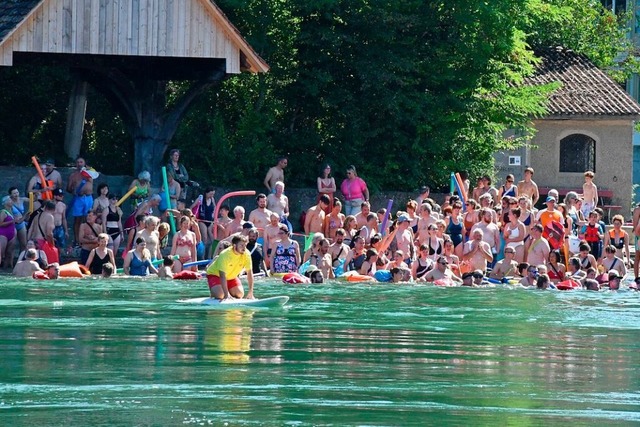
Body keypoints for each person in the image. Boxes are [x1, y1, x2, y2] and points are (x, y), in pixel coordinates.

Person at [206, 235, 255, 300]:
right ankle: (216, 292)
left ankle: (226, 289)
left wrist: (251, 292)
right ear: (234, 246)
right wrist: (226, 295)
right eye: (241, 245)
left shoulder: (247, 254)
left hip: (231, 277)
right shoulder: (224, 254)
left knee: (240, 294)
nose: (244, 248)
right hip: (215, 275)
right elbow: (222, 275)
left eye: (245, 245)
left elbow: (249, 273)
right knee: (220, 295)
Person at [66, 157, 96, 244]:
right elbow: (68, 188)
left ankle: (88, 238)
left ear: (84, 163)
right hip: (79, 198)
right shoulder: (73, 175)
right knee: (78, 219)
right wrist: (73, 191)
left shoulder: (90, 173)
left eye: (81, 162)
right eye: (78, 162)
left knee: (89, 218)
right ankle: (77, 240)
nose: (79, 164)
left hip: (88, 198)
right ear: (76, 164)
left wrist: (87, 173)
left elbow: (93, 177)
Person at [9, 187, 29, 252]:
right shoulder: (9, 202)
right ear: (10, 195)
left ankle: (21, 259)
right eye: (14, 193)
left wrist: (36, 195)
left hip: (21, 224)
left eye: (17, 192)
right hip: (13, 224)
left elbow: (32, 200)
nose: (16, 194)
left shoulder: (21, 199)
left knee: (24, 244)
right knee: (12, 245)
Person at [0, 195, 17, 268]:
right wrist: (12, 221)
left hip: (11, 234)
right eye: (9, 200)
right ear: (5, 203)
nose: (11, 201)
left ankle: (5, 269)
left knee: (9, 253)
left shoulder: (11, 211)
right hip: (3, 234)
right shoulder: (3, 212)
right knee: (1, 253)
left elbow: (16, 221)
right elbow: (0, 223)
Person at [52, 188, 69, 253]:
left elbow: (64, 218)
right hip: (52, 227)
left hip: (60, 227)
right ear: (55, 196)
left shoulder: (63, 205)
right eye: (60, 195)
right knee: (51, 245)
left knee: (61, 246)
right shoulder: (49, 205)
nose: (62, 197)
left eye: (62, 195)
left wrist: (66, 231)